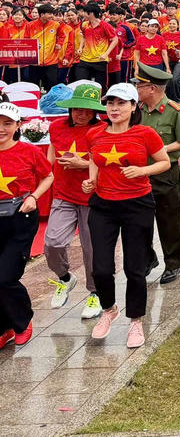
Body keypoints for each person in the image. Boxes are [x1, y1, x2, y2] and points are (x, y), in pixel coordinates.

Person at [83, 83, 171, 348]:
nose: (114, 108)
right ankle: (109, 309)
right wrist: (91, 181)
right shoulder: (95, 134)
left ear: (134, 106)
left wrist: (142, 171)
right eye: (110, 103)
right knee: (100, 267)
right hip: (103, 205)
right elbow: (93, 159)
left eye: (121, 103)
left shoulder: (145, 133)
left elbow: (164, 162)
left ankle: (136, 321)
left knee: (134, 267)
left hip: (137, 205)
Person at [45, 83, 105, 319]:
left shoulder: (102, 130)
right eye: (77, 109)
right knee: (52, 242)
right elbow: (51, 155)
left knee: (92, 249)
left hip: (93, 197)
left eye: (87, 110)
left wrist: (83, 165)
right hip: (63, 194)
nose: (81, 114)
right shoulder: (56, 127)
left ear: (95, 112)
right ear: (70, 109)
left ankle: (95, 293)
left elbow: (107, 163)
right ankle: (65, 278)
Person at [133, 63, 180, 285]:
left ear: (153, 88)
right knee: (139, 221)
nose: (137, 88)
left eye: (141, 85)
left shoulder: (174, 111)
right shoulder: (137, 110)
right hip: (140, 173)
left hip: (166, 173)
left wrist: (160, 150)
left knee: (169, 220)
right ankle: (149, 258)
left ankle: (172, 264)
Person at [0, 101, 53, 348]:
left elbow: (48, 175)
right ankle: (5, 328)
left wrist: (34, 197)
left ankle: (23, 321)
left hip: (21, 217)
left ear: (18, 125)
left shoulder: (28, 151)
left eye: (7, 123)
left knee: (6, 276)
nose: (1, 128)